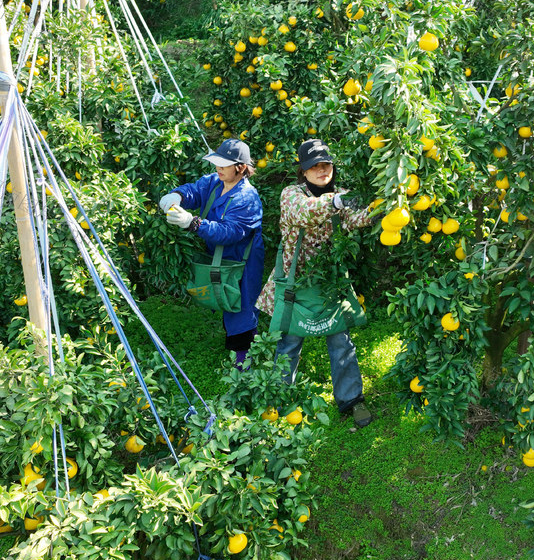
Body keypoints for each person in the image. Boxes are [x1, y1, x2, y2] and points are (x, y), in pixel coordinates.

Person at [257, 139, 374, 427]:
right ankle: (279, 402)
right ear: (303, 171)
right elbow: (305, 211)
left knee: (341, 342)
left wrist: (383, 207)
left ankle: (352, 400)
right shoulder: (291, 194)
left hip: (329, 282)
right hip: (295, 286)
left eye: (326, 164)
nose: (322, 170)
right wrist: (335, 202)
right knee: (288, 343)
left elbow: (358, 218)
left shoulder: (342, 194)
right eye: (315, 166)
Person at [159, 139, 265, 368]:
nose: (218, 167)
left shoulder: (247, 198)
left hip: (242, 261)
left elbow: (230, 232)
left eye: (224, 164)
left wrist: (194, 223)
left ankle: (244, 363)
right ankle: (240, 353)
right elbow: (194, 191)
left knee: (241, 307)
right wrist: (178, 196)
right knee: (226, 301)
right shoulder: (215, 182)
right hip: (220, 256)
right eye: (217, 163)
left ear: (241, 167)